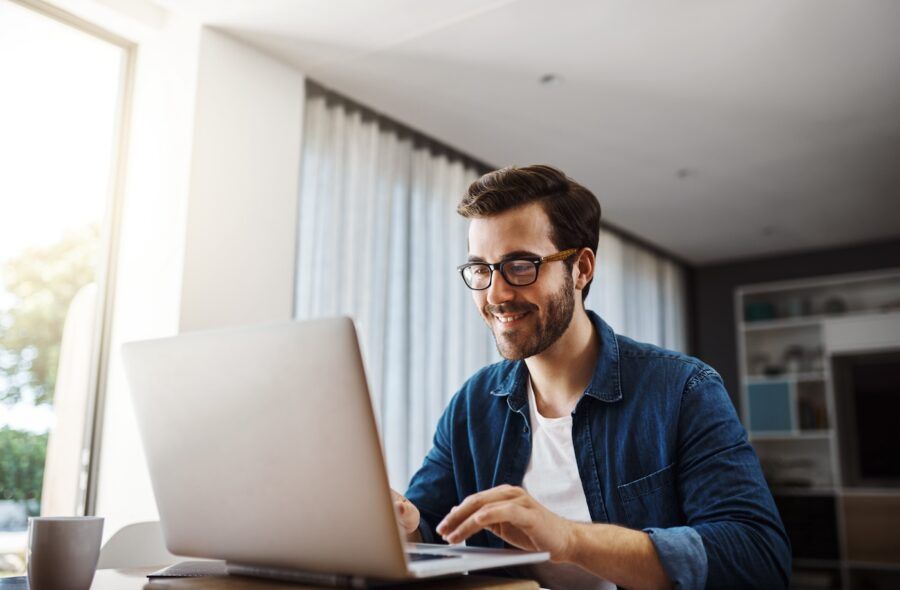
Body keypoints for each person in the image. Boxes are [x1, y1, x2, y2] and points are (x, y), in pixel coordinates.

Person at [389, 165, 791, 590]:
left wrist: (570, 538)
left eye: (520, 266)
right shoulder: (472, 405)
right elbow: (432, 531)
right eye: (481, 270)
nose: (495, 294)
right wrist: (404, 525)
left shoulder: (683, 390)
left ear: (581, 269)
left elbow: (758, 556)